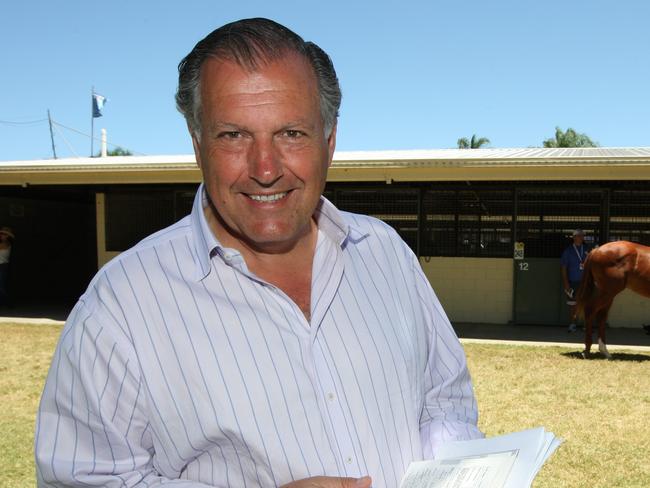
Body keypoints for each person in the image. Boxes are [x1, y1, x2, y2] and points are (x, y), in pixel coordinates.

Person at [35, 18, 482, 488]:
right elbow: (80, 480)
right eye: (233, 135)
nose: (265, 169)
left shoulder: (386, 253)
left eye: (291, 133)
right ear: (197, 143)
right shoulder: (120, 306)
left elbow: (443, 401)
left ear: (329, 141)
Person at [561, 229, 589, 332]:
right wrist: (566, 284)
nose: (581, 237)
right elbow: (563, 269)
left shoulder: (587, 250)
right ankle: (572, 324)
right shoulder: (568, 251)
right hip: (573, 282)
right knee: (573, 304)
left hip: (585, 282)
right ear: (574, 237)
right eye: (578, 236)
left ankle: (586, 325)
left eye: (582, 236)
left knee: (586, 304)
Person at [0, 226, 14, 308]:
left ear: (7, 236)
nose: (1, 235)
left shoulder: (6, 244)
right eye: (1, 233)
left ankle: (8, 303)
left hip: (2, 266)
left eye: (3, 234)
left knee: (1, 286)